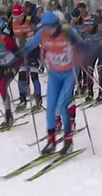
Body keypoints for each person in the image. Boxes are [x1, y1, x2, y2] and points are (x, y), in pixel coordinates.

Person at [22, 12, 88, 155]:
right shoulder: (42, 33)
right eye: (45, 27)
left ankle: (68, 141)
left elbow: (82, 45)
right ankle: (51, 142)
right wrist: (22, 51)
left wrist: (81, 53)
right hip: (54, 74)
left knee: (62, 104)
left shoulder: (67, 31)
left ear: (56, 25)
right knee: (51, 107)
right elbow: (30, 45)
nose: (47, 31)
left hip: (69, 72)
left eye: (50, 28)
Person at [9, 4, 42, 111]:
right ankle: (22, 100)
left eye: (18, 16)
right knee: (22, 76)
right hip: (22, 52)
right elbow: (5, 35)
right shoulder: (12, 22)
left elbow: (40, 25)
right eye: (14, 17)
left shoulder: (30, 19)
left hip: (33, 51)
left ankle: (38, 100)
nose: (16, 19)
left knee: (33, 75)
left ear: (22, 14)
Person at [79, 15, 102, 102]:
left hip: (101, 52)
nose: (87, 28)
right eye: (85, 26)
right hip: (91, 52)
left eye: (89, 26)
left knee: (100, 71)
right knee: (89, 72)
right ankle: (90, 93)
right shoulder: (84, 33)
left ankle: (101, 93)